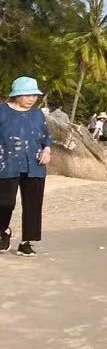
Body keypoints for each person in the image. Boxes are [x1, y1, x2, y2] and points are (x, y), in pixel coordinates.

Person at [0, 77, 52, 257]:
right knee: (5, 203)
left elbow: (46, 137)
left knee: (33, 205)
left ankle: (26, 242)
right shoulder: (2, 111)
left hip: (35, 165)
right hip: (6, 165)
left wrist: (47, 150)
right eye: (27, 95)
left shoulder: (38, 114)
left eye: (34, 95)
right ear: (16, 95)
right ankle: (3, 231)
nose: (32, 99)